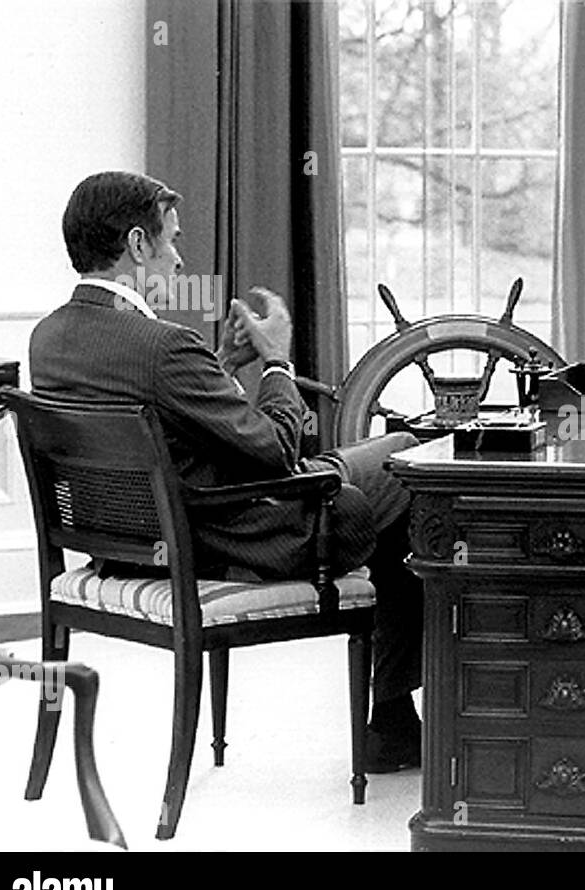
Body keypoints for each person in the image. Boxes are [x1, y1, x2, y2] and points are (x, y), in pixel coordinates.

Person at [29, 171, 422, 772]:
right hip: (232, 534)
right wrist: (278, 362)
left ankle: (396, 720)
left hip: (138, 540)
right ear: (138, 245)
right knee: (411, 464)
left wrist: (223, 365)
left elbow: (157, 417)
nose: (181, 260)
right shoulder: (162, 345)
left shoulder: (50, 338)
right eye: (172, 242)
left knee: (394, 448)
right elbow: (277, 453)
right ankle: (394, 714)